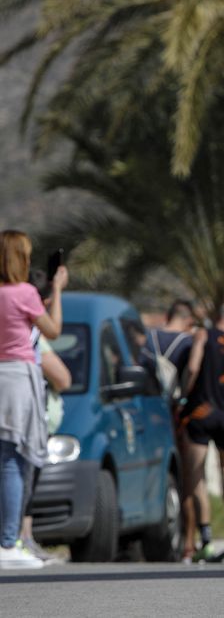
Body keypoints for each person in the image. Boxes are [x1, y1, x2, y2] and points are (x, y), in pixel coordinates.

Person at [0, 230, 66, 570]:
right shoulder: (23, 293)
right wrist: (57, 290)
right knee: (14, 460)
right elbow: (52, 330)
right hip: (16, 377)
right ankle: (8, 542)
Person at [178, 302, 224, 561]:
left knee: (196, 475)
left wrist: (184, 395)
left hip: (200, 413)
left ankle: (205, 537)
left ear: (218, 317)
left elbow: (194, 367)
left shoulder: (204, 335)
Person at [19, 270, 72, 564]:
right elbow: (62, 378)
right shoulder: (33, 331)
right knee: (21, 475)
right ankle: (18, 540)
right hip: (29, 418)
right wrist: (58, 291)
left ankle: (23, 539)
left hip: (31, 417)